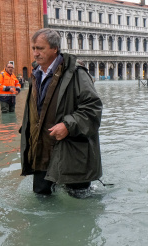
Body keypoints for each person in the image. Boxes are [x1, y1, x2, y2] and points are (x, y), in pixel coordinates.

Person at [19, 28, 103, 197]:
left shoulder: (77, 74)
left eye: (40, 48)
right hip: (41, 150)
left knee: (78, 204)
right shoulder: (36, 74)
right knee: (41, 199)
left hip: (71, 152)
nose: (35, 53)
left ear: (55, 48)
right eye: (33, 48)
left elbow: (93, 108)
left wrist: (67, 125)